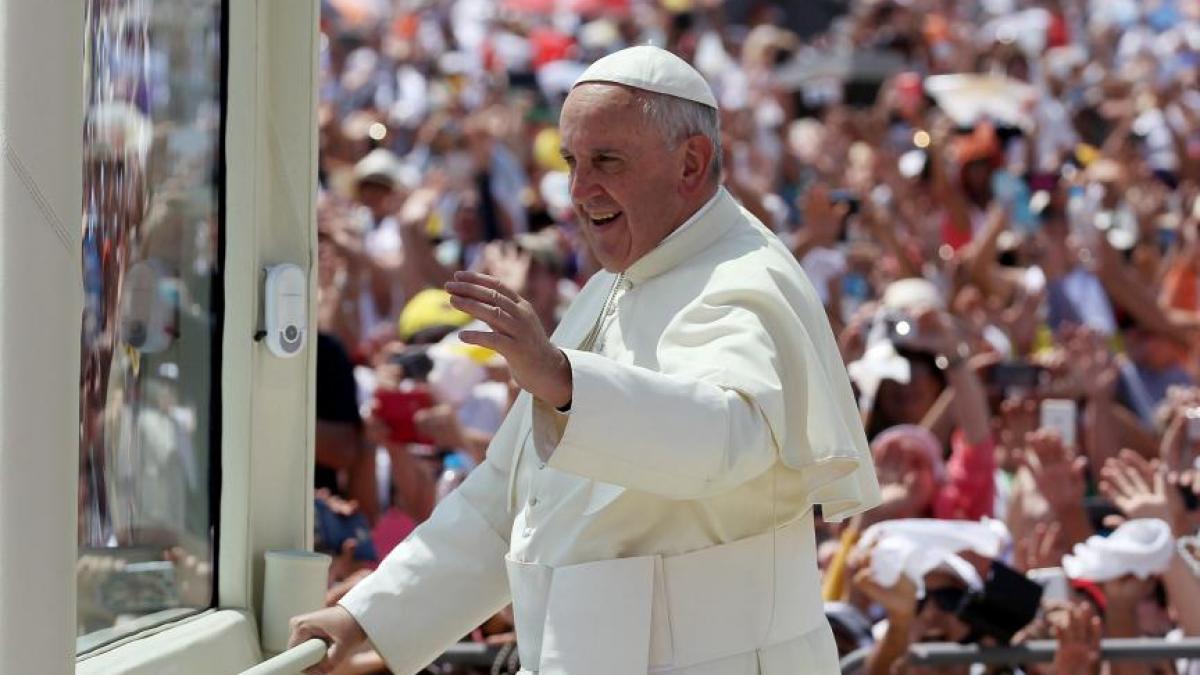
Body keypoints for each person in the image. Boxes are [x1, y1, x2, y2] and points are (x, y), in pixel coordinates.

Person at [289, 45, 879, 674]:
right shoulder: (612, 284)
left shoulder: (746, 279)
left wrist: (565, 382)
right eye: (572, 161)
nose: (577, 190)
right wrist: (371, 618)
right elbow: (507, 503)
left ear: (691, 163)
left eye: (606, 161)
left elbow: (725, 438)